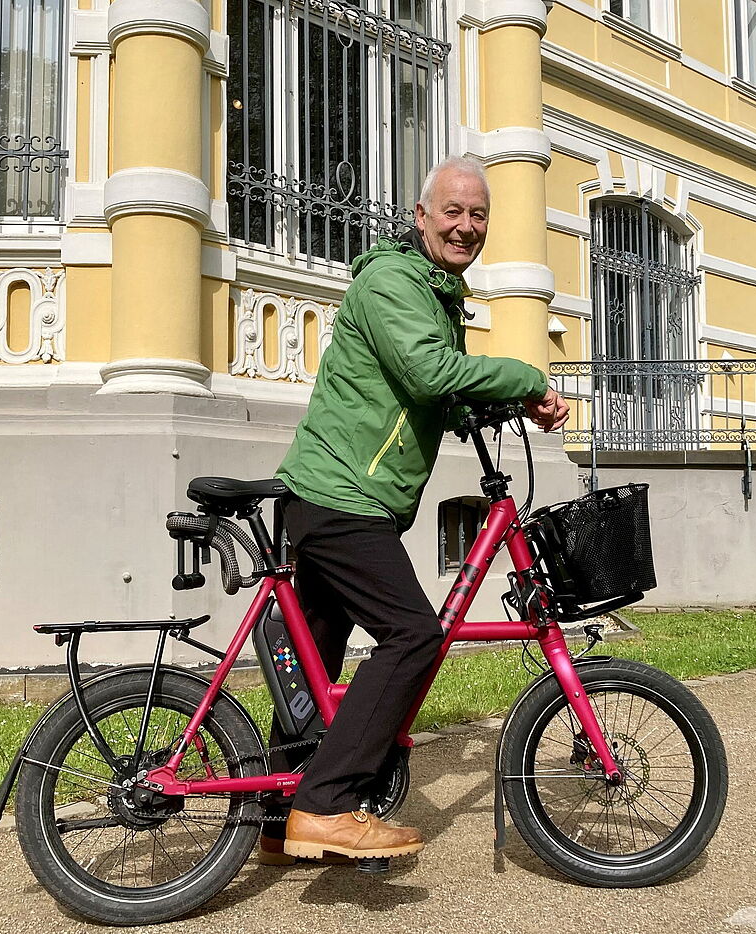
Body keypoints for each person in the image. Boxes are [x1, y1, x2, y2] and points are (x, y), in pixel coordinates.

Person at [265, 155, 569, 864]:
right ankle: (325, 805)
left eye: (479, 215)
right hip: (341, 498)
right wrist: (525, 378)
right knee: (412, 636)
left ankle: (275, 821)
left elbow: (425, 386)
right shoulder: (395, 280)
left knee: (316, 658)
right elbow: (428, 370)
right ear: (421, 216)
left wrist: (481, 406)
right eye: (454, 211)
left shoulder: (432, 290)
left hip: (338, 496)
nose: (467, 226)